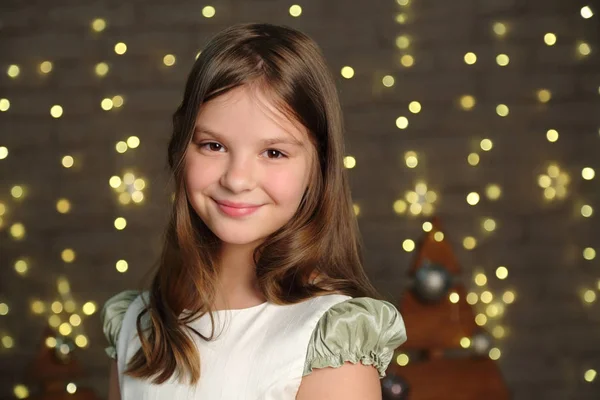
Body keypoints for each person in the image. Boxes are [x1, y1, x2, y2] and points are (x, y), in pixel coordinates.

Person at [101, 22, 407, 399]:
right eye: (213, 146)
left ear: (318, 166)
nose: (238, 179)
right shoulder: (137, 324)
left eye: (274, 153)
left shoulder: (327, 344)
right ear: (182, 147)